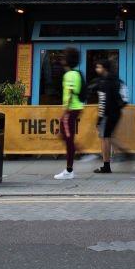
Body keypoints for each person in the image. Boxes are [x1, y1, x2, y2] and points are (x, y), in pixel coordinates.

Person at [92, 59, 128, 173]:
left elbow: (104, 102)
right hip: (116, 113)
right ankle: (125, 151)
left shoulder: (104, 82)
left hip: (107, 114)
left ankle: (106, 166)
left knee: (104, 139)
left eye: (99, 67)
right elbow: (124, 100)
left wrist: (100, 118)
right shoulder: (117, 80)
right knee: (108, 137)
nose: (97, 69)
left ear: (104, 68)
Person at [54, 47, 85, 180]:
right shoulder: (76, 74)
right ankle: (81, 153)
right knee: (65, 137)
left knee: (68, 138)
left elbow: (71, 93)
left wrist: (65, 111)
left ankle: (69, 170)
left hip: (71, 109)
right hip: (75, 108)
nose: (61, 59)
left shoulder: (70, 75)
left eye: (63, 56)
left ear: (67, 59)